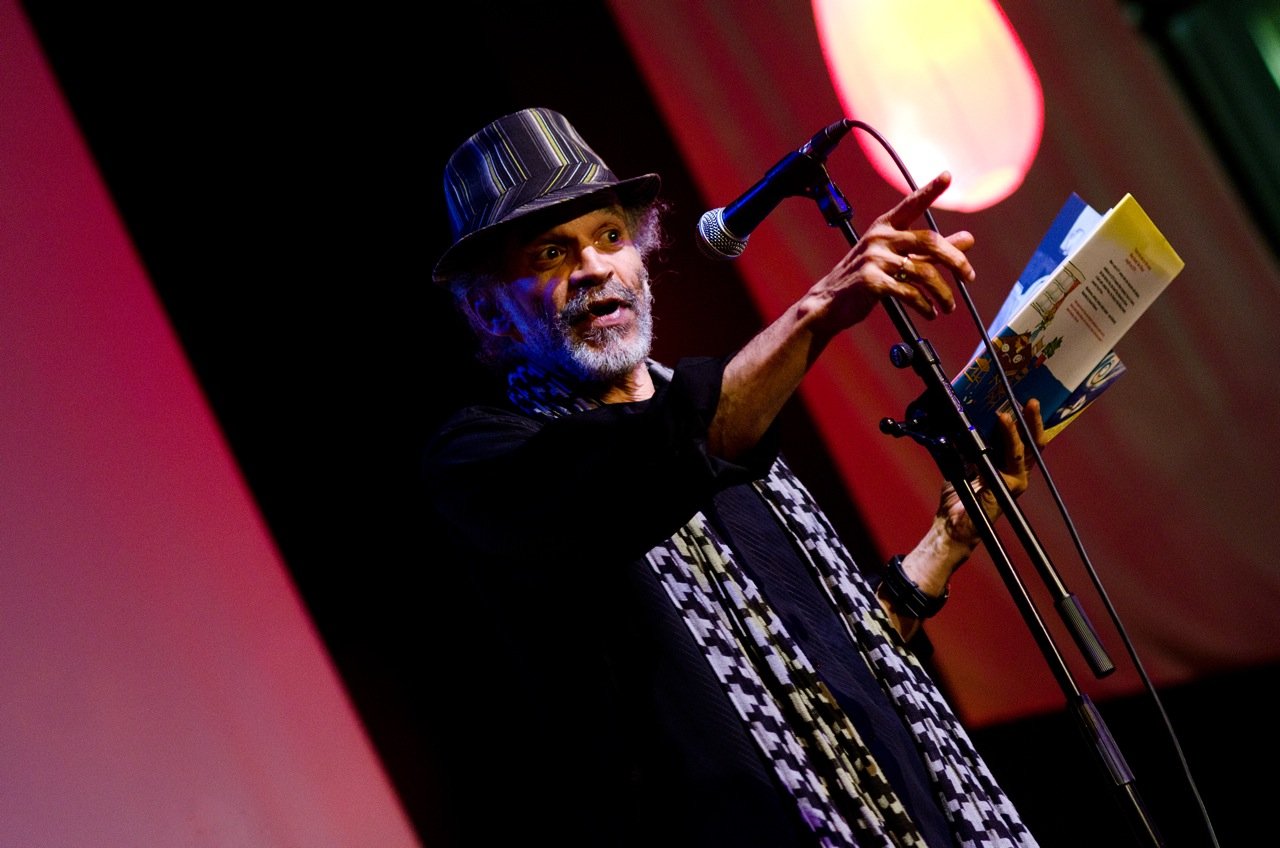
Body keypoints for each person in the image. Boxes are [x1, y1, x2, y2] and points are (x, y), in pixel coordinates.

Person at [424, 106, 1045, 847]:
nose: (594, 267)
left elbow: (847, 664)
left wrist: (947, 541)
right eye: (551, 254)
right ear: (489, 310)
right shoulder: (488, 461)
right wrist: (820, 309)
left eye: (611, 237)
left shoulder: (736, 433)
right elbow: (655, 456)